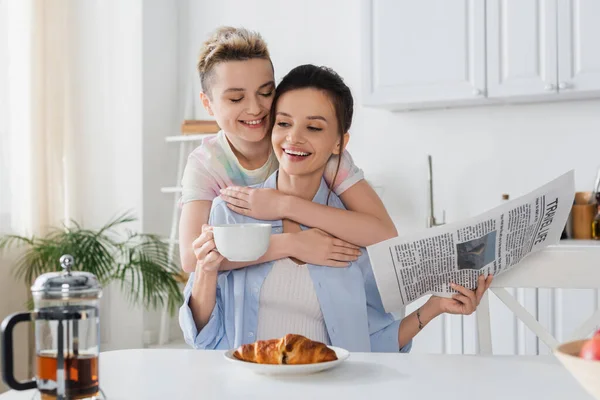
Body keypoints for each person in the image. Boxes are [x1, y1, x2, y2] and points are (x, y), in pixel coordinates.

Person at [179, 64, 493, 352]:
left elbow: (372, 344)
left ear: (339, 143)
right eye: (283, 123)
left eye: (314, 128)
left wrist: (435, 306)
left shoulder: (354, 232)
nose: (294, 138)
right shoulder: (231, 212)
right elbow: (205, 336)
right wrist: (207, 271)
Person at [179, 27, 398, 275]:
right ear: (208, 103)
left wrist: (284, 205)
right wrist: (291, 245)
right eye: (236, 99)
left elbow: (384, 233)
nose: (255, 109)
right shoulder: (207, 165)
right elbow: (191, 259)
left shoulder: (303, 146)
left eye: (265, 92)